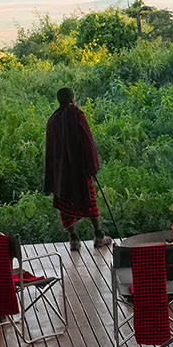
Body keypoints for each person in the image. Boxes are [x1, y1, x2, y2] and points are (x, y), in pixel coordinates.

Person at [43, 86, 106, 250]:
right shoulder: (77, 115)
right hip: (79, 171)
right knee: (90, 201)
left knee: (65, 205)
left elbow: (51, 150)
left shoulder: (52, 120)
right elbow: (87, 141)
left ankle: (74, 239)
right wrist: (92, 165)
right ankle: (99, 235)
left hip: (61, 173)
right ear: (72, 100)